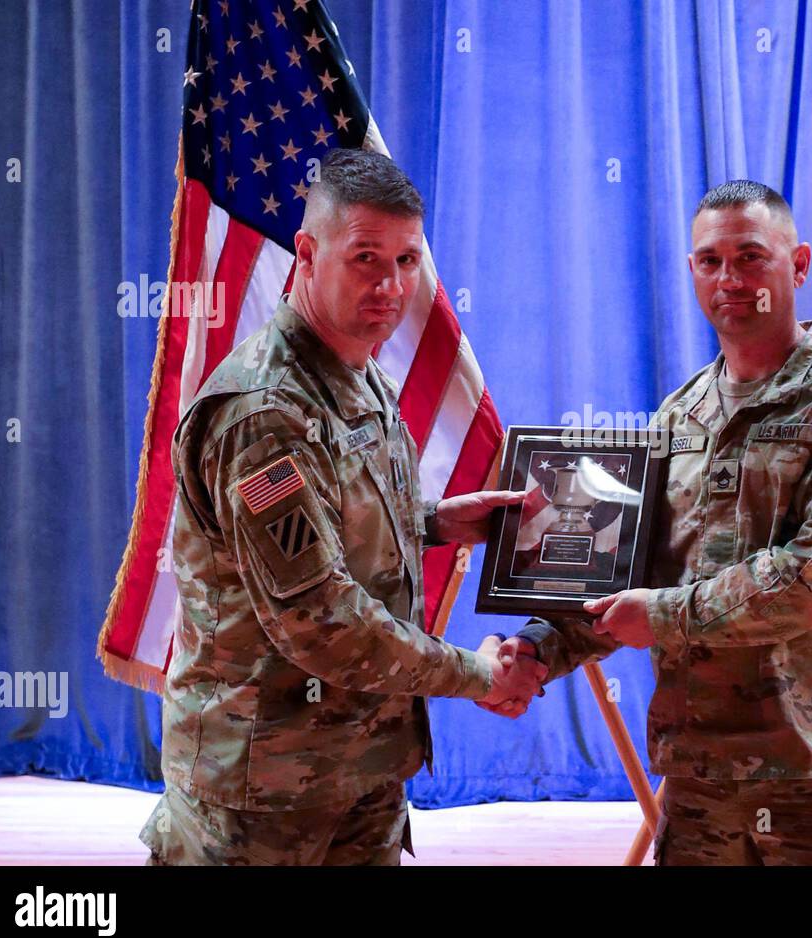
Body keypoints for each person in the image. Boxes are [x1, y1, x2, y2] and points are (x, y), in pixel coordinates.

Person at [488, 180, 812, 865]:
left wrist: (663, 615)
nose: (731, 279)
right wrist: (539, 650)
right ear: (692, 271)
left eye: (751, 257)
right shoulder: (677, 417)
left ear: (798, 264)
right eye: (710, 261)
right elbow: (625, 569)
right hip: (700, 786)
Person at [139, 148, 545, 866]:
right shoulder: (265, 412)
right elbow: (319, 620)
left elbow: (328, 524)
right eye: (366, 258)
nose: (390, 285)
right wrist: (479, 676)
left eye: (407, 261)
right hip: (261, 794)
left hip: (360, 773)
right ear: (307, 251)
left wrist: (435, 522)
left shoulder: (359, 375)